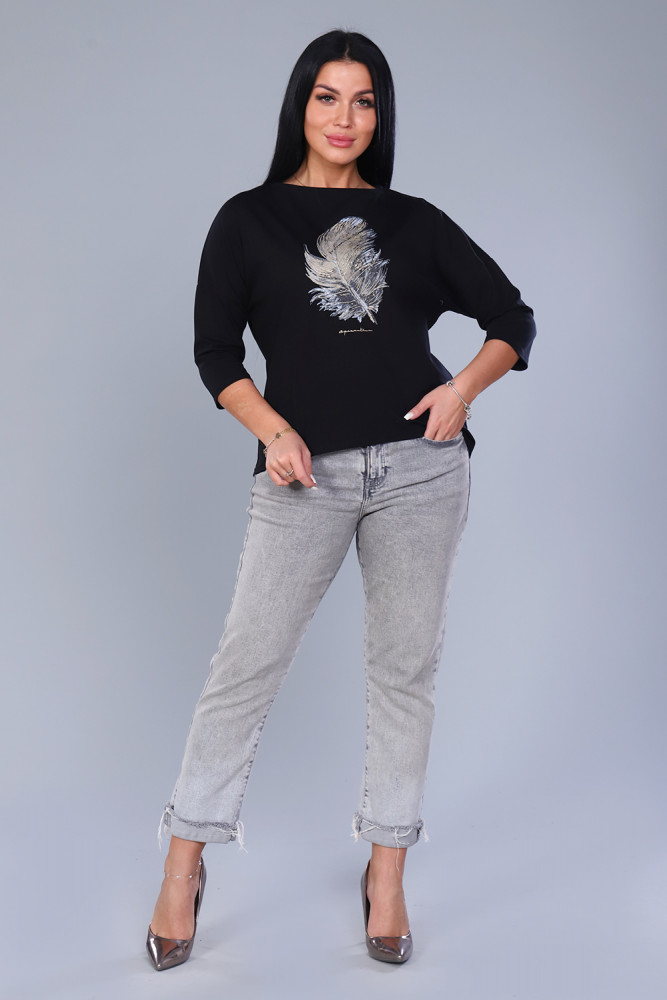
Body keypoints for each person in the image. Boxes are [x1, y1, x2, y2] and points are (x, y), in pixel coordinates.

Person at [146, 28, 536, 971]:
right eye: (328, 97)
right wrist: (272, 431)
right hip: (302, 474)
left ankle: (387, 873)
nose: (344, 118)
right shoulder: (247, 220)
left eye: (363, 101)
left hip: (420, 469)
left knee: (404, 670)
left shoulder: (413, 222)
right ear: (300, 105)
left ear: (379, 115)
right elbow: (214, 353)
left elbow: (511, 319)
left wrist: (461, 391)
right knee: (246, 664)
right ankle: (182, 865)